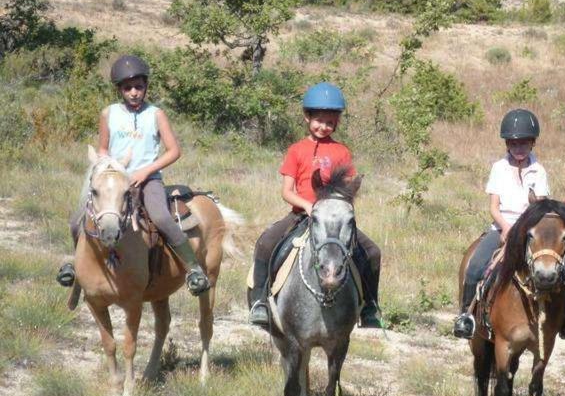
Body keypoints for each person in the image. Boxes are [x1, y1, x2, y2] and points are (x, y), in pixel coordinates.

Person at [56, 54, 210, 296]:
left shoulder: (156, 114)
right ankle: (77, 266)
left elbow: (174, 151)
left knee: (160, 216)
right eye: (128, 88)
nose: (134, 92)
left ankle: (193, 268)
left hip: (148, 180)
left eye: (139, 86)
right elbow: (104, 148)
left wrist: (147, 170)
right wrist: (106, 167)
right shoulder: (108, 113)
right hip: (115, 181)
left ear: (146, 86)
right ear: (120, 90)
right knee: (79, 219)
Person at [248, 82, 382, 329]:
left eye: (330, 122)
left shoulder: (342, 151)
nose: (324, 126)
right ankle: (260, 303)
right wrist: (308, 206)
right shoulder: (296, 150)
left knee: (371, 252)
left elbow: (348, 189)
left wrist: (339, 206)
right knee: (266, 242)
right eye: (319, 120)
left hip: (332, 220)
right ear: (306, 117)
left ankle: (370, 308)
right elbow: (286, 192)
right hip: (302, 215)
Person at [453, 108, 565, 340]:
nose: (518, 148)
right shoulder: (498, 168)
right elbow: (493, 207)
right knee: (475, 266)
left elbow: (539, 209)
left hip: (531, 230)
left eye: (523, 143)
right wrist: (506, 228)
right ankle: (466, 316)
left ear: (532, 143)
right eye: (513, 144)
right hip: (502, 227)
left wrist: (525, 231)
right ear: (507, 144)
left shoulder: (539, 170)